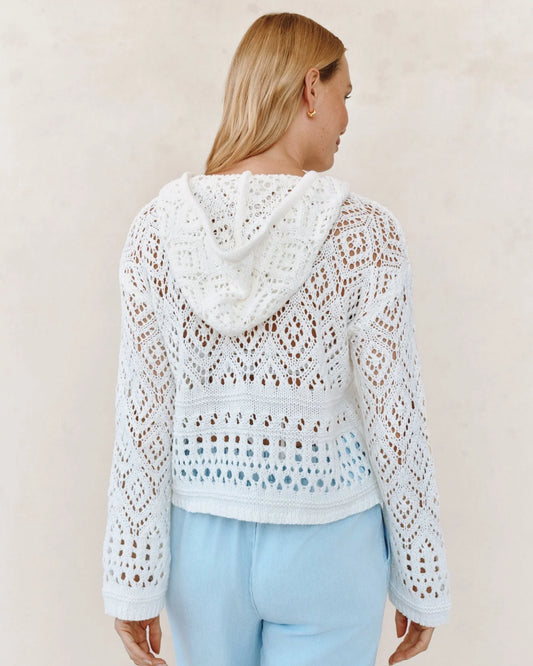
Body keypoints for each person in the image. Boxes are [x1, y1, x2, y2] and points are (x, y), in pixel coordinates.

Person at [101, 11, 452, 666]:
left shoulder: (155, 231)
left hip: (199, 550)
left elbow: (141, 420)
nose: (346, 119)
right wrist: (421, 576)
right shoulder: (363, 233)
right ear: (310, 88)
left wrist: (132, 575)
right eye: (344, 96)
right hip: (329, 545)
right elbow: (395, 420)